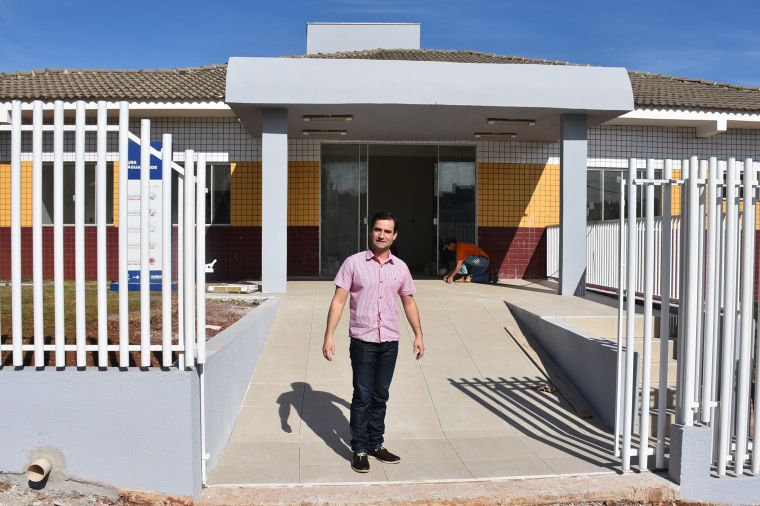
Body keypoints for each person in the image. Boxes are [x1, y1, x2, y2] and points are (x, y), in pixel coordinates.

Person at [322, 211, 425, 473]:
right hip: (363, 341)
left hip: (389, 340)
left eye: (387, 231)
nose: (382, 235)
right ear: (371, 231)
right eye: (378, 229)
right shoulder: (353, 263)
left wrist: (418, 335)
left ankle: (375, 444)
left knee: (381, 395)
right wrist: (329, 335)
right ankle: (359, 448)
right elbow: (338, 301)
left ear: (395, 235)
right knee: (363, 396)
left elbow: (409, 302)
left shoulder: (400, 268)